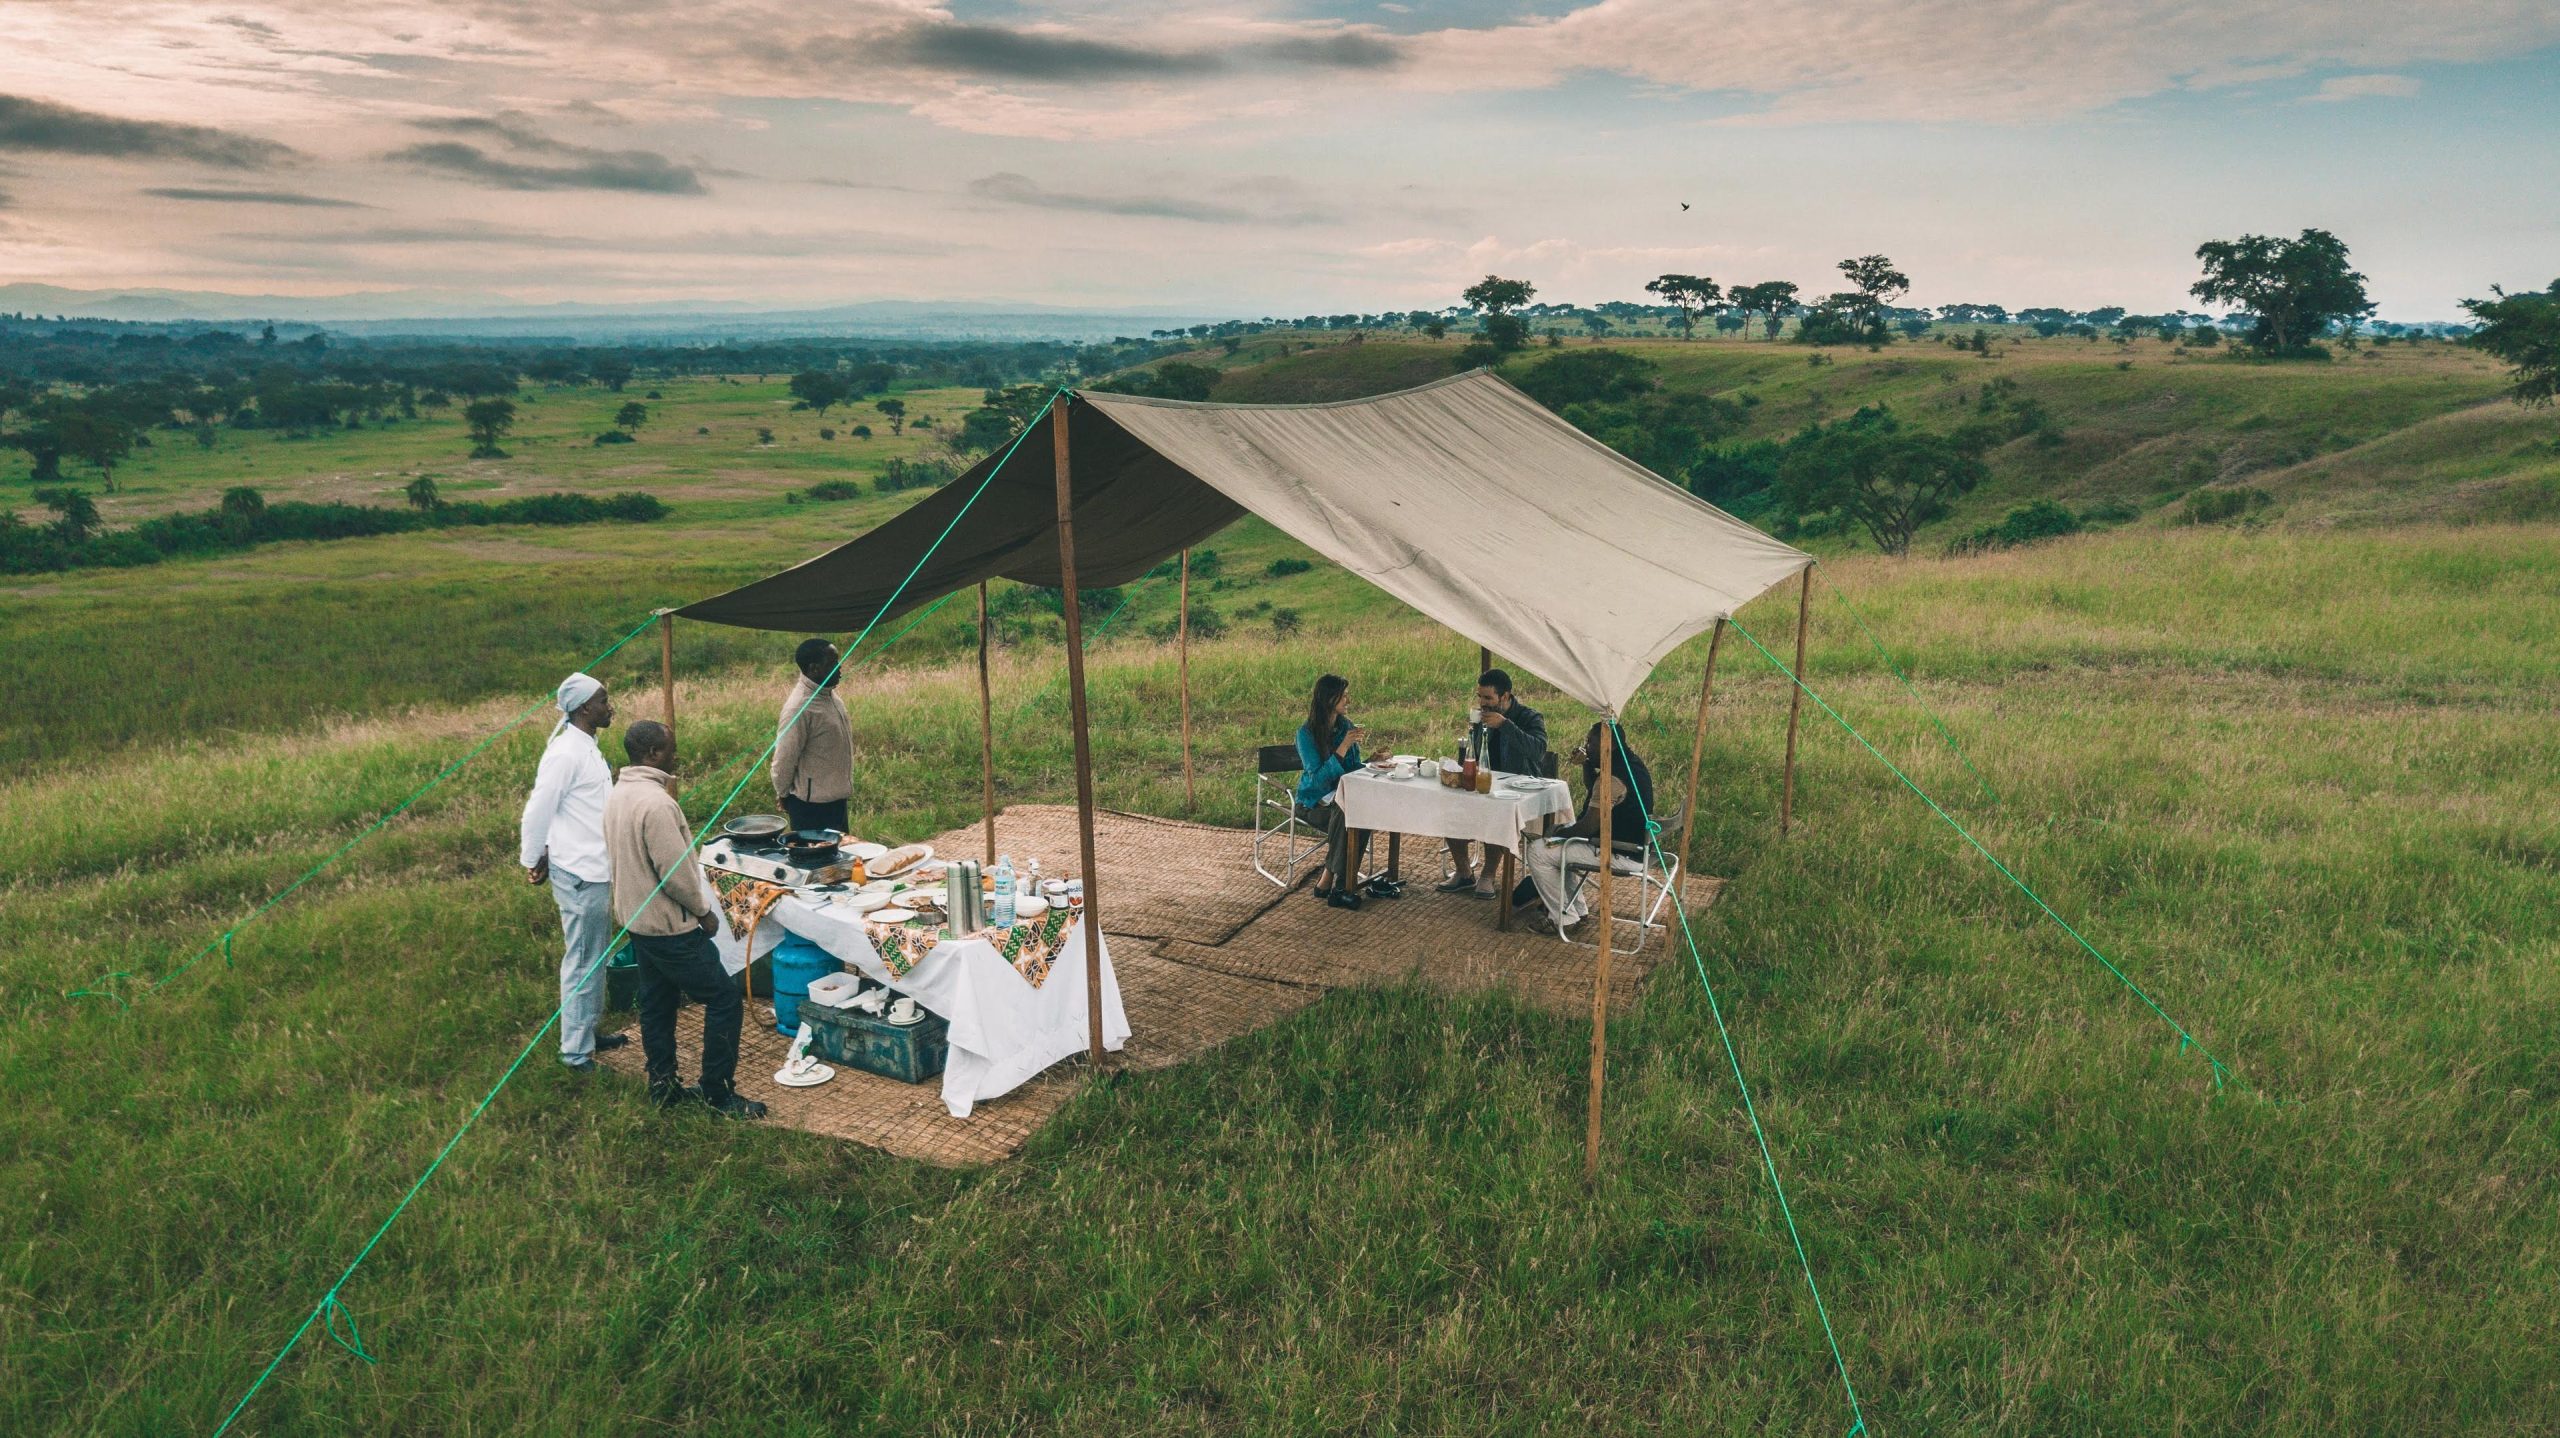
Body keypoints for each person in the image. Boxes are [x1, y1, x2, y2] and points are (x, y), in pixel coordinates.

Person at [608, 719, 766, 1119]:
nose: (677, 755)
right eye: (671, 748)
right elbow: (675, 872)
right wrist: (703, 911)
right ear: (654, 754)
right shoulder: (657, 804)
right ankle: (718, 1092)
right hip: (668, 925)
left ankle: (662, 1085)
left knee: (656, 1003)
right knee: (724, 999)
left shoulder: (620, 792)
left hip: (637, 920)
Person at [518, 672, 628, 1072]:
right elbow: (539, 808)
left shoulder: (586, 746)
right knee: (583, 959)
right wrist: (533, 857)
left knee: (594, 955)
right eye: (603, 700)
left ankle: (587, 1030)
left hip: (593, 865)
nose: (609, 705)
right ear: (584, 708)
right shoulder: (566, 753)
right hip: (581, 872)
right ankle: (575, 1052)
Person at [1519, 722, 1655, 935]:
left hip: (1618, 850)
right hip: (1636, 846)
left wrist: (1559, 833)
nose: (1586, 746)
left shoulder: (1612, 777)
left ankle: (1564, 918)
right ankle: (1578, 911)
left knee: (1538, 851)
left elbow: (1588, 827)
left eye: (1591, 742)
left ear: (1607, 744)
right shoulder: (1631, 764)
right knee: (1559, 845)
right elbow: (1594, 788)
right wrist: (1587, 764)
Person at [1437, 668, 1550, 897]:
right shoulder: (1481, 717)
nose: (1482, 702)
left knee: (1496, 815)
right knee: (1448, 809)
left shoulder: (1529, 717)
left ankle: (1488, 875)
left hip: (1516, 789)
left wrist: (1505, 725)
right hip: (1484, 783)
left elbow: (1538, 751)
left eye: (1488, 698)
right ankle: (1464, 872)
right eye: (1479, 696)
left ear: (1505, 696)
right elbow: (1475, 752)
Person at [1293, 673, 1391, 911]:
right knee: (1348, 812)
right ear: (1329, 699)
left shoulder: (1345, 726)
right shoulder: (1305, 734)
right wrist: (1343, 747)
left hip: (1340, 802)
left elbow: (1351, 771)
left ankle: (1333, 883)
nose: (1348, 700)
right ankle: (1341, 885)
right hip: (1313, 804)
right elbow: (1316, 780)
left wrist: (1371, 762)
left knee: (1356, 812)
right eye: (1344, 696)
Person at [771, 637, 853, 833]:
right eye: (832, 663)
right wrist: (783, 793)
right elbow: (784, 758)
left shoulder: (828, 695)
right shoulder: (799, 707)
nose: (839, 667)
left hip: (836, 802)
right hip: (811, 808)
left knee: (842, 859)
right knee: (818, 862)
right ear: (814, 669)